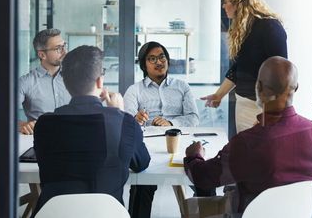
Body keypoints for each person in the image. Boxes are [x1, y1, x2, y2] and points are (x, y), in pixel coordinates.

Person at [184, 56, 312, 216]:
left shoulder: (248, 142)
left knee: (192, 207)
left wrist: (194, 156)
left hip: (248, 212)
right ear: (296, 88)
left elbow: (202, 178)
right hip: (296, 213)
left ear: (258, 88)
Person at [33, 45, 150, 215]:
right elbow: (141, 163)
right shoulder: (123, 122)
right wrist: (120, 113)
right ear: (99, 81)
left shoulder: (44, 124)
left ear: (65, 83)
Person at [124, 41, 199, 218]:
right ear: (144, 65)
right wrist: (137, 121)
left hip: (181, 147)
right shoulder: (134, 90)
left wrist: (170, 123)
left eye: (162, 57)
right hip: (149, 150)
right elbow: (126, 125)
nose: (159, 62)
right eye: (152, 59)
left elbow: (194, 118)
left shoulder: (182, 87)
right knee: (142, 185)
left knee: (204, 180)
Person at [202, 0, 288, 133]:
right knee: (246, 153)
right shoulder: (243, 29)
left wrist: (270, 114)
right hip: (243, 103)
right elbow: (239, 68)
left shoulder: (270, 26)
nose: (223, 6)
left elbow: (282, 73)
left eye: (226, 1)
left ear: (239, 4)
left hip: (262, 108)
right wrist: (218, 95)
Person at [18, 28, 71, 135]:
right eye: (58, 48)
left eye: (64, 46)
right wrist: (22, 125)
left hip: (74, 140)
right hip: (42, 143)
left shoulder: (75, 78)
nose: (65, 52)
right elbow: (3, 115)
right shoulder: (25, 82)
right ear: (42, 55)